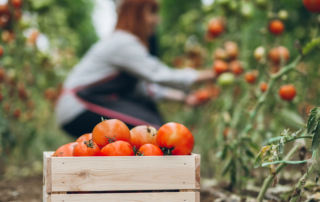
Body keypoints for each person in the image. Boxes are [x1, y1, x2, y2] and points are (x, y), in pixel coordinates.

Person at [55, 0, 216, 138]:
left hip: (86, 102)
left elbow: (144, 89)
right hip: (79, 105)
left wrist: (183, 97)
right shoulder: (123, 42)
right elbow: (159, 74)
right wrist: (211, 74)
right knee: (153, 131)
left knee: (151, 118)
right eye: (152, 13)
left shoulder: (122, 42)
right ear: (137, 14)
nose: (157, 20)